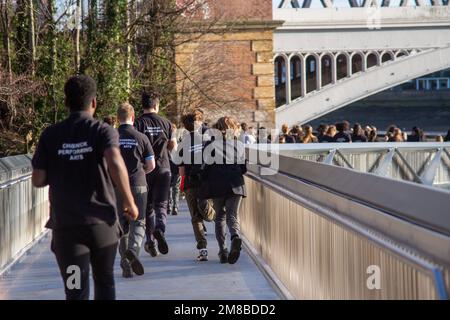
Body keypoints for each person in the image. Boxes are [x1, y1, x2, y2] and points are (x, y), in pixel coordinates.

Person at [31, 75, 138, 300]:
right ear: (94, 102)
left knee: (75, 289)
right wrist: (129, 200)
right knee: (105, 281)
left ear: (66, 102)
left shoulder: (50, 135)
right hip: (102, 226)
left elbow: (38, 179)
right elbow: (115, 162)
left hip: (67, 229)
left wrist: (63, 165)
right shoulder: (103, 131)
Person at [198, 116, 247, 264]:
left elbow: (204, 166)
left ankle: (223, 251)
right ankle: (235, 237)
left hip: (217, 184)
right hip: (236, 183)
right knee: (233, 215)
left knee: (220, 216)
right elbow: (244, 168)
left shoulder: (210, 144)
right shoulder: (238, 144)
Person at [116, 103, 155, 278]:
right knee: (138, 222)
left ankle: (126, 265)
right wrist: (141, 172)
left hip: (117, 186)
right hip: (138, 183)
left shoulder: (112, 137)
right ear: (133, 118)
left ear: (118, 119)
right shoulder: (142, 137)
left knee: (122, 225)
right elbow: (151, 165)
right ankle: (133, 251)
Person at [135, 92, 177, 257]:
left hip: (145, 170)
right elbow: (172, 146)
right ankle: (160, 229)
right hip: (163, 168)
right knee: (161, 205)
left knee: (148, 207)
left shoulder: (138, 123)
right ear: (156, 105)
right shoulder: (166, 123)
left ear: (142, 105)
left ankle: (150, 242)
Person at [176, 112, 215, 262]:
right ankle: (215, 216)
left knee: (195, 218)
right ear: (198, 123)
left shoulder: (183, 142)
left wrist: (182, 184)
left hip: (191, 183)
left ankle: (202, 248)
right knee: (207, 209)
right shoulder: (208, 139)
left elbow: (181, 169)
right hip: (207, 182)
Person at [168, 123, 181, 216]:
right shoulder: (179, 141)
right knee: (175, 188)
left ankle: (170, 206)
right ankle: (174, 206)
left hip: (169, 166)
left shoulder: (166, 141)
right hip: (175, 166)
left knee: (169, 187)